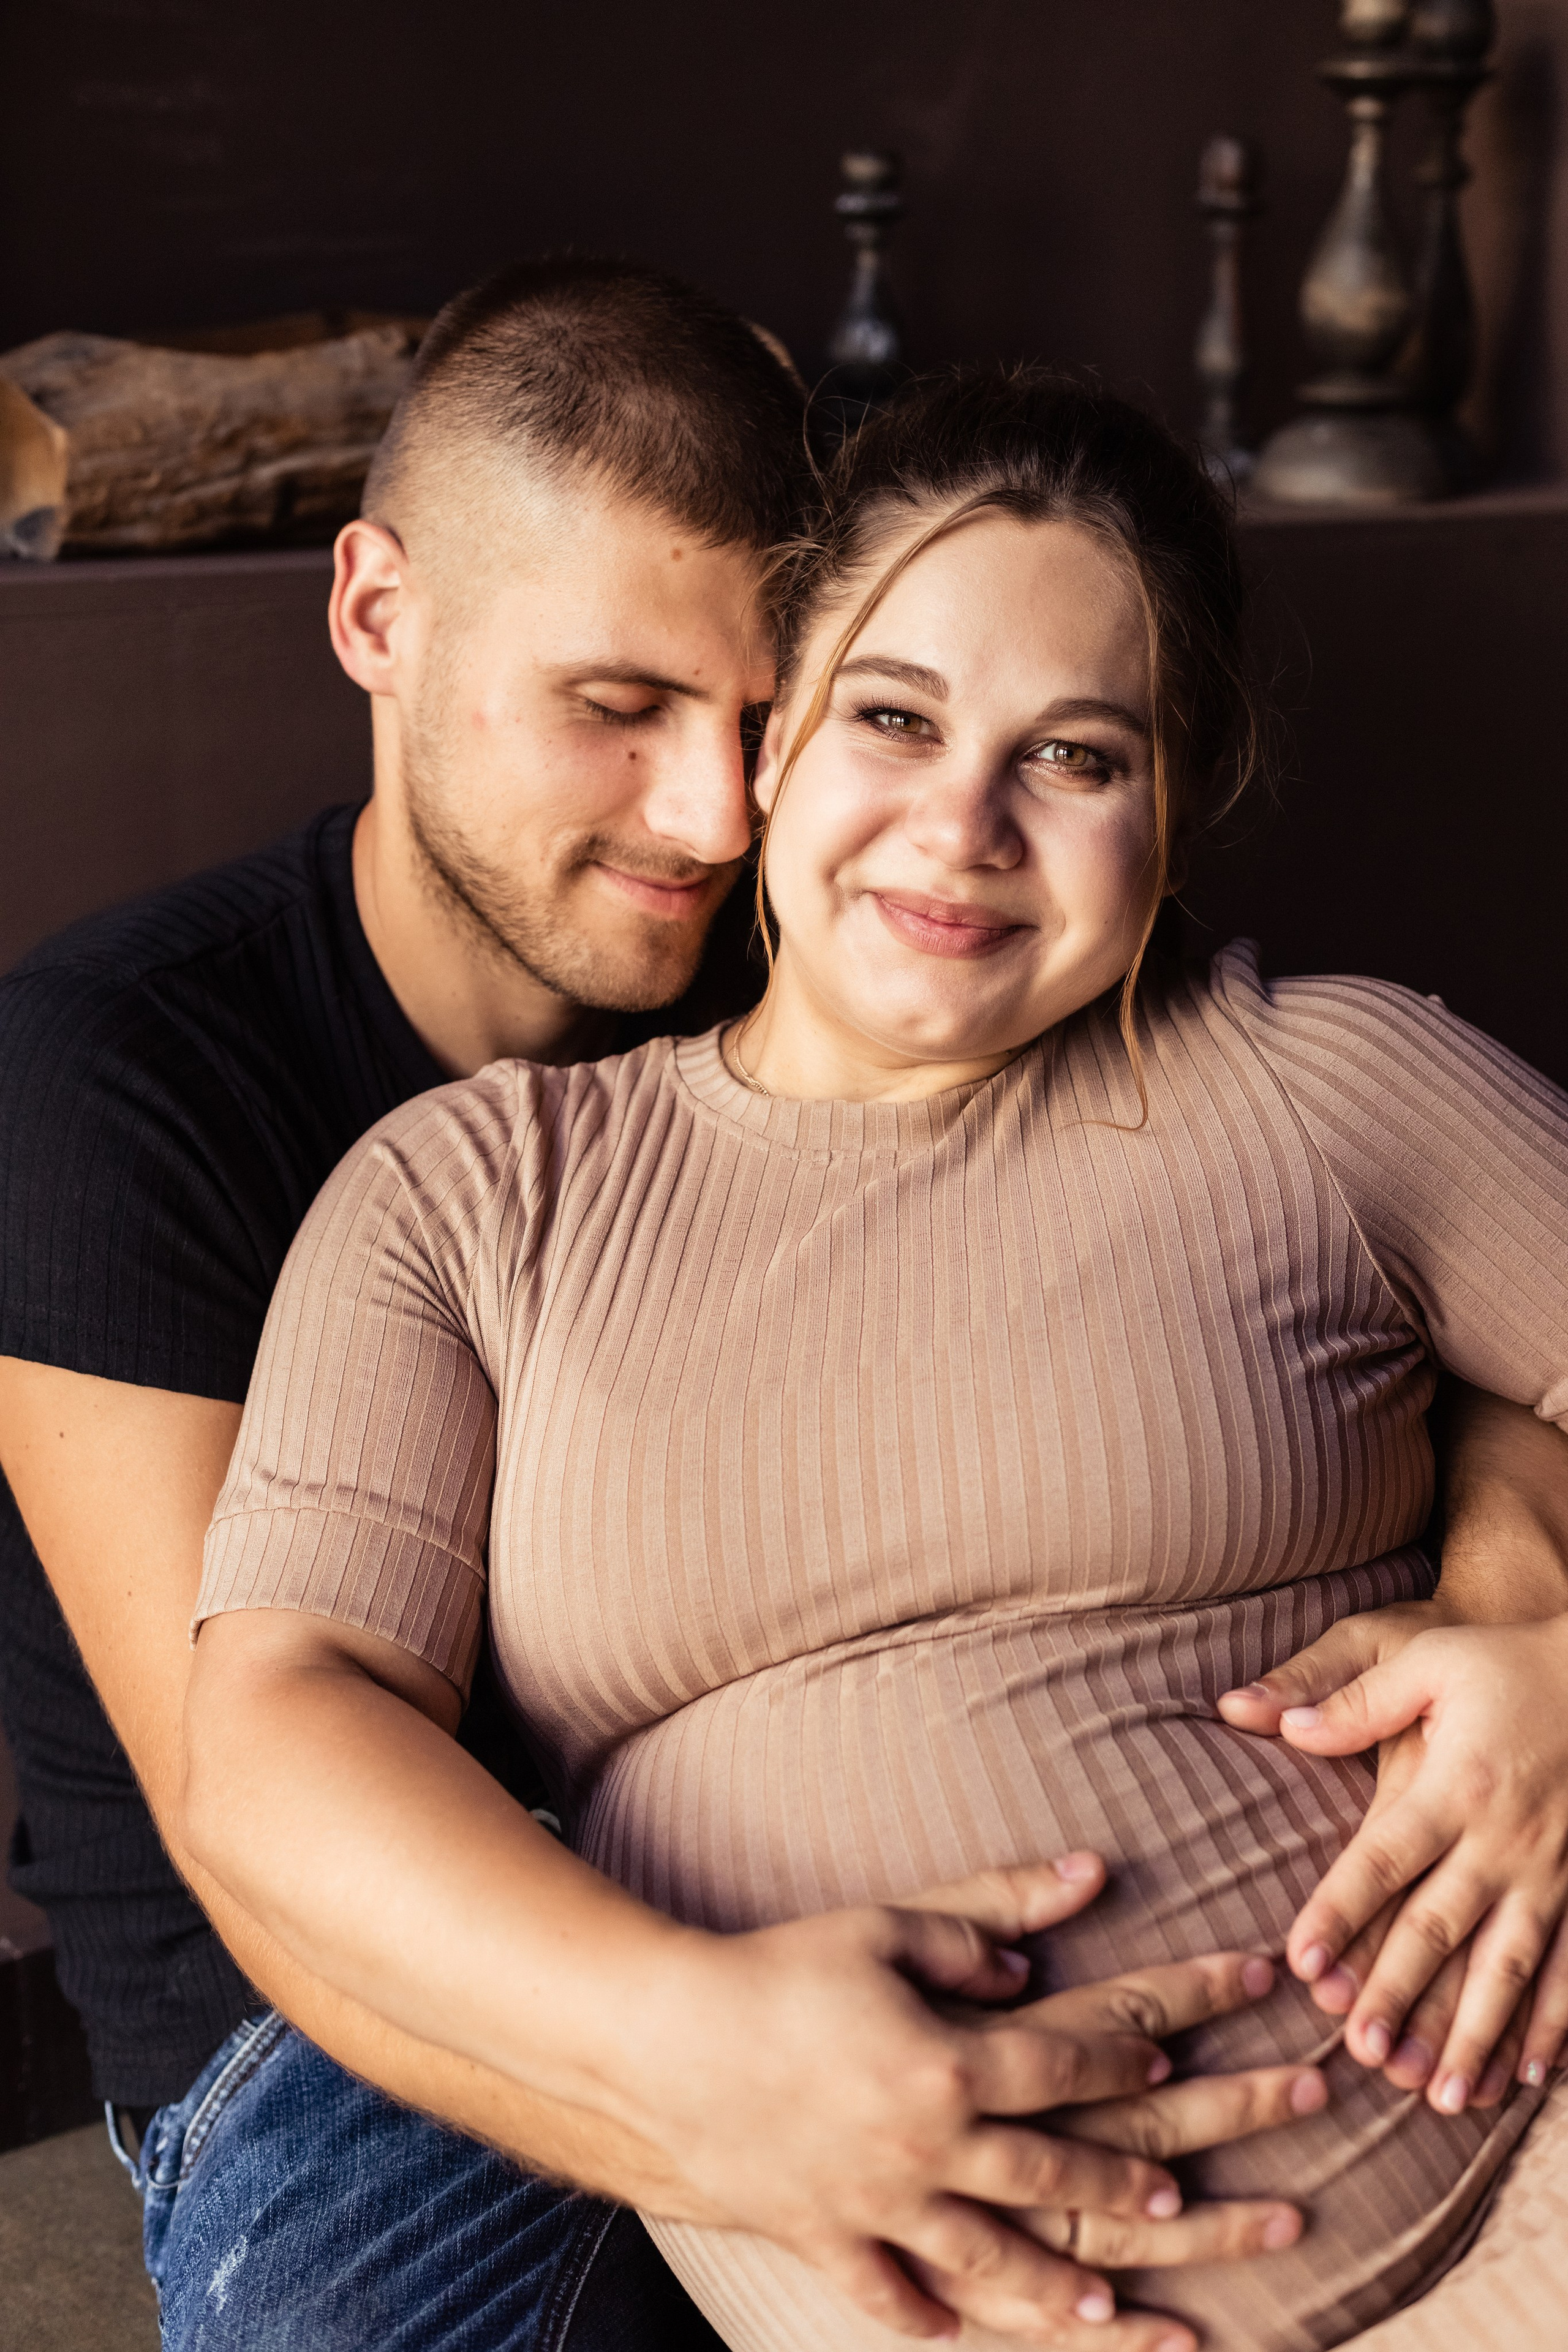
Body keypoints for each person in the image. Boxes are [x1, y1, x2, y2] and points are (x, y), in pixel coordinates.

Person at [0, 269, 1385, 2352]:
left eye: (766, 721)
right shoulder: (119, 1073)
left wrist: (1520, 1618)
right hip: (352, 2025)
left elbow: (1378, 1242)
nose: (714, 815)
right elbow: (262, 1817)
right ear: (378, 615)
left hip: (870, 1861)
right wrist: (726, 2097)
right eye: (619, 706)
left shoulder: (842, 933)